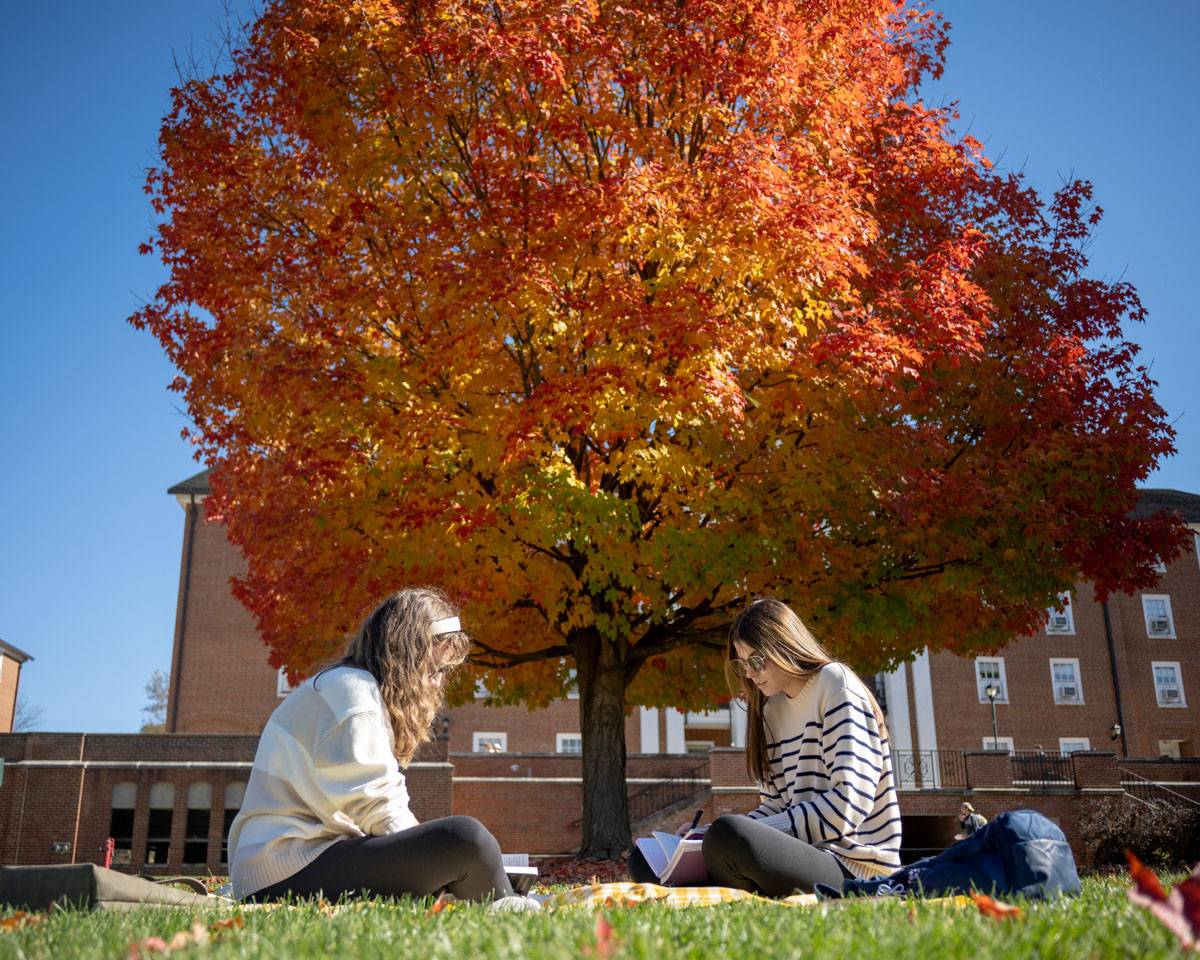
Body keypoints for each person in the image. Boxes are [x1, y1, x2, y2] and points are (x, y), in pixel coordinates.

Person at [228, 587, 536, 910]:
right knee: (466, 838)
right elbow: (379, 807)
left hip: (293, 865)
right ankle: (505, 904)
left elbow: (377, 809)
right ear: (405, 654)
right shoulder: (354, 694)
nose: (436, 683)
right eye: (433, 669)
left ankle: (500, 898)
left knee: (464, 847)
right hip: (282, 870)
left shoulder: (349, 687)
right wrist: (437, 859)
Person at [654, 598, 901, 895]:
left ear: (784, 645)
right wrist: (701, 837)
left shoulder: (834, 684)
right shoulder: (771, 711)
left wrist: (733, 834)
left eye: (756, 661)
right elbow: (775, 806)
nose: (749, 673)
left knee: (728, 836)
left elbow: (848, 805)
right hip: (801, 853)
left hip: (856, 867)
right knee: (651, 861)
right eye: (742, 664)